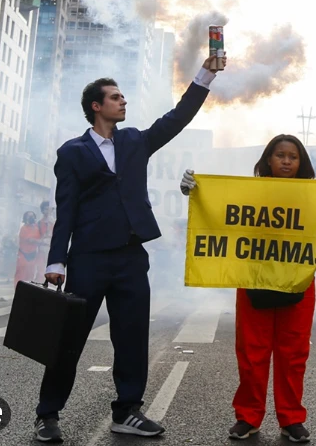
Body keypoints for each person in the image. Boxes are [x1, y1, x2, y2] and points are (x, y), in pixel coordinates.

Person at [36, 55, 225, 443]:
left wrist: (205, 75)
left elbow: (177, 117)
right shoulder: (72, 151)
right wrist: (57, 260)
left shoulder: (135, 140)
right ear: (96, 106)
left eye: (123, 97)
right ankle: (48, 414)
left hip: (130, 256)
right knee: (68, 338)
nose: (123, 102)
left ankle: (127, 411)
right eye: (115, 97)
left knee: (132, 335)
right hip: (88, 258)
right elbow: (65, 209)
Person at [180, 134, 316, 443]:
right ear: (267, 161)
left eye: (293, 156)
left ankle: (291, 419)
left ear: (302, 163)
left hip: (297, 284)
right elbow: (222, 220)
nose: (286, 161)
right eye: (280, 155)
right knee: (251, 354)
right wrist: (198, 193)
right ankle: (248, 418)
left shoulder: (314, 197)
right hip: (254, 282)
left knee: (293, 355)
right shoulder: (250, 193)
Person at [13, 211, 41, 288]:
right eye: (29, 216)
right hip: (23, 254)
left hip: (33, 254)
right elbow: (31, 240)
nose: (31, 217)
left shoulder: (37, 228)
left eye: (32, 216)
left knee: (31, 273)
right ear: (25, 218)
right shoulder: (23, 228)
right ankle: (17, 290)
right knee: (21, 274)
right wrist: (42, 241)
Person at [36, 201, 53, 281]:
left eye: (49, 209)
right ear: (42, 211)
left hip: (51, 249)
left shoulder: (55, 222)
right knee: (40, 270)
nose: (47, 211)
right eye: (46, 209)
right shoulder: (39, 223)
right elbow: (37, 237)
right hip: (42, 249)